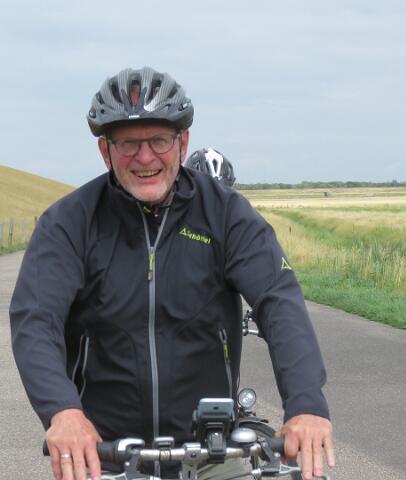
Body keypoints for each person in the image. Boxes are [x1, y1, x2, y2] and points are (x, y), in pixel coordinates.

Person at [9, 67, 334, 480]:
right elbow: (36, 319)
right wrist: (63, 412)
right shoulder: (69, 222)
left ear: (183, 143)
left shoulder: (225, 213)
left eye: (159, 140)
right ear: (106, 151)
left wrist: (306, 404)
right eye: (128, 143)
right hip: (104, 452)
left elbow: (278, 300)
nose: (145, 158)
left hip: (210, 452)